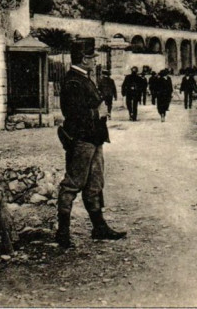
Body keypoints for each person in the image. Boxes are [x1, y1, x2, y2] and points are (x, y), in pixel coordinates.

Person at [56, 38, 127, 248]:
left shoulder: (84, 78)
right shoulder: (73, 81)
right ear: (84, 59)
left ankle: (99, 227)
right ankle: (63, 232)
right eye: (93, 57)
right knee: (72, 184)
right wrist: (98, 112)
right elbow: (72, 114)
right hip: (81, 140)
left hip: (94, 139)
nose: (96, 60)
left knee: (95, 184)